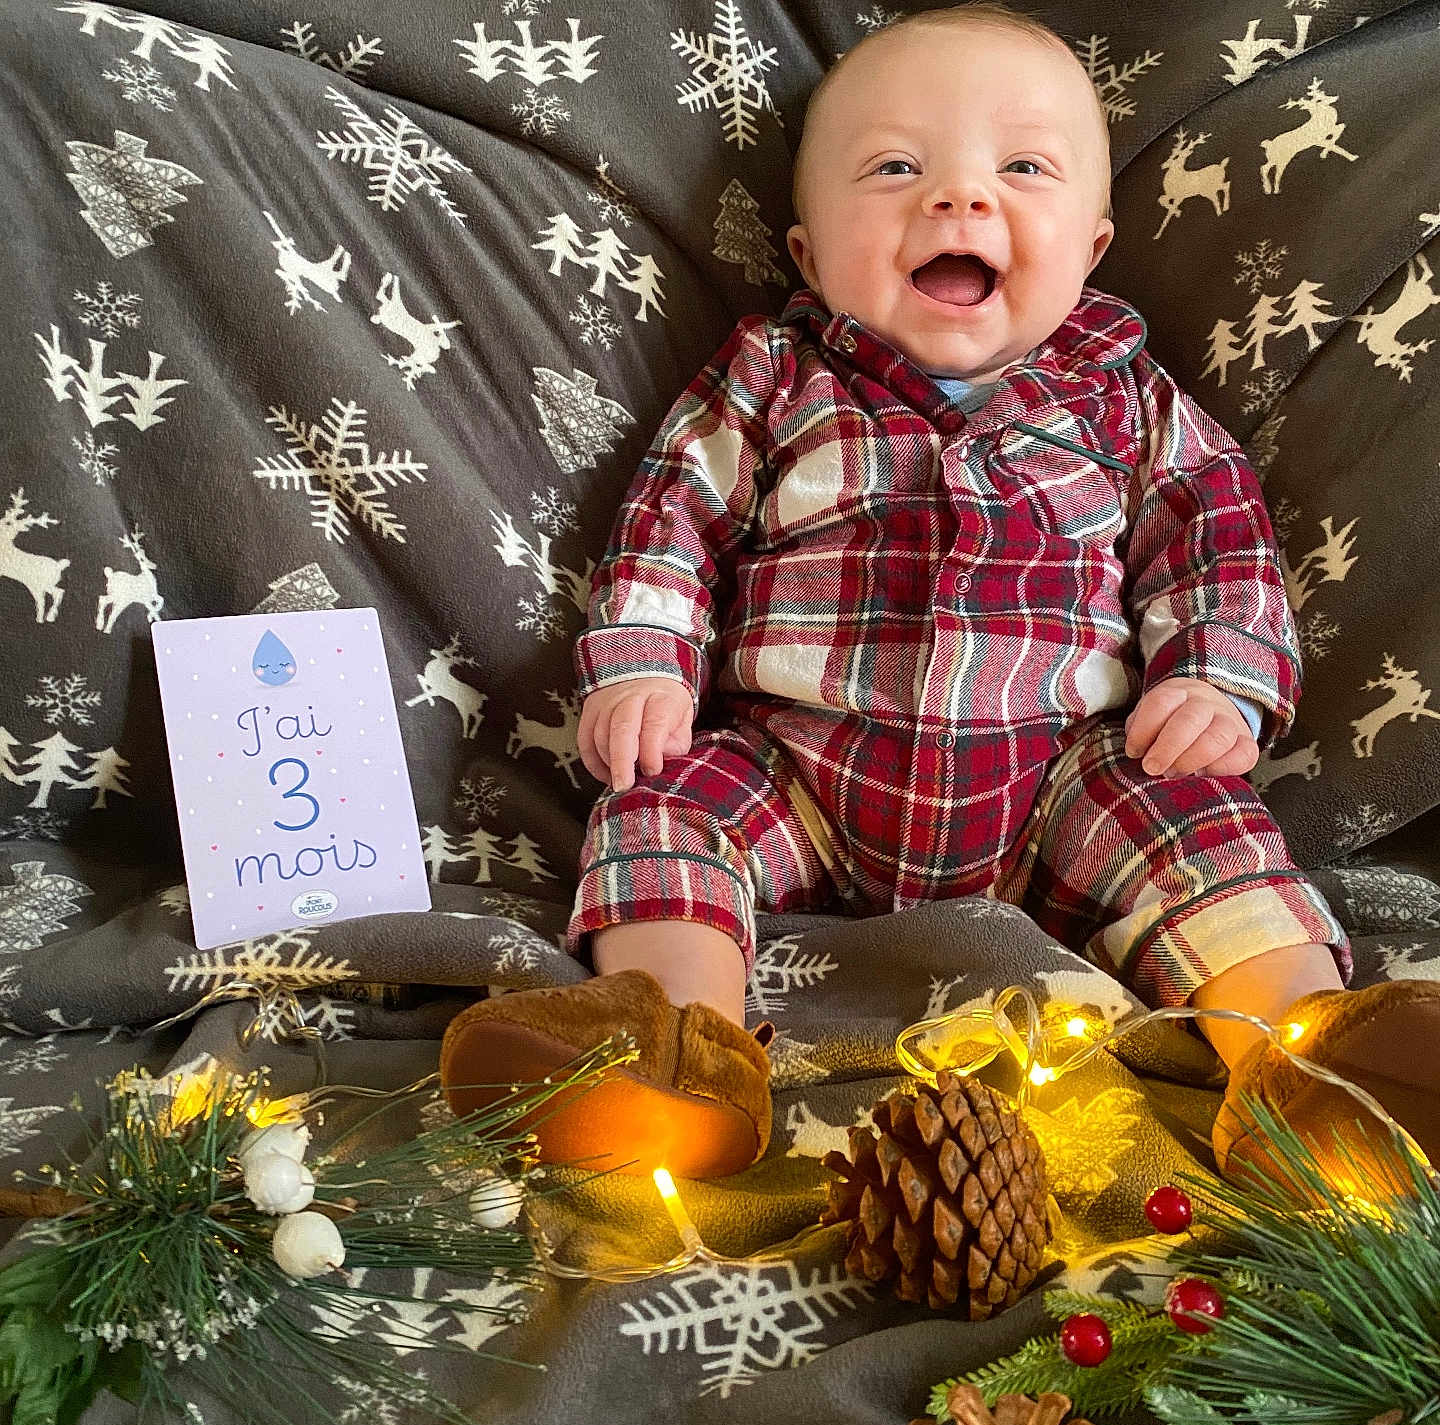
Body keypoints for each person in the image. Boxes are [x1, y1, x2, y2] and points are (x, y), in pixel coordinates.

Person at [442, 4, 1438, 1192]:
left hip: (1062, 774)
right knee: (658, 807)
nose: (960, 202)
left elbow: (1217, 533)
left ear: (1091, 243)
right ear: (810, 255)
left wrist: (1220, 674)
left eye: (1022, 169)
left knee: (1207, 831)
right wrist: (645, 661)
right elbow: (673, 520)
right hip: (802, 764)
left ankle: (1313, 1069)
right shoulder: (775, 375)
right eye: (897, 169)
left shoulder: (1127, 397)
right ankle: (666, 1050)